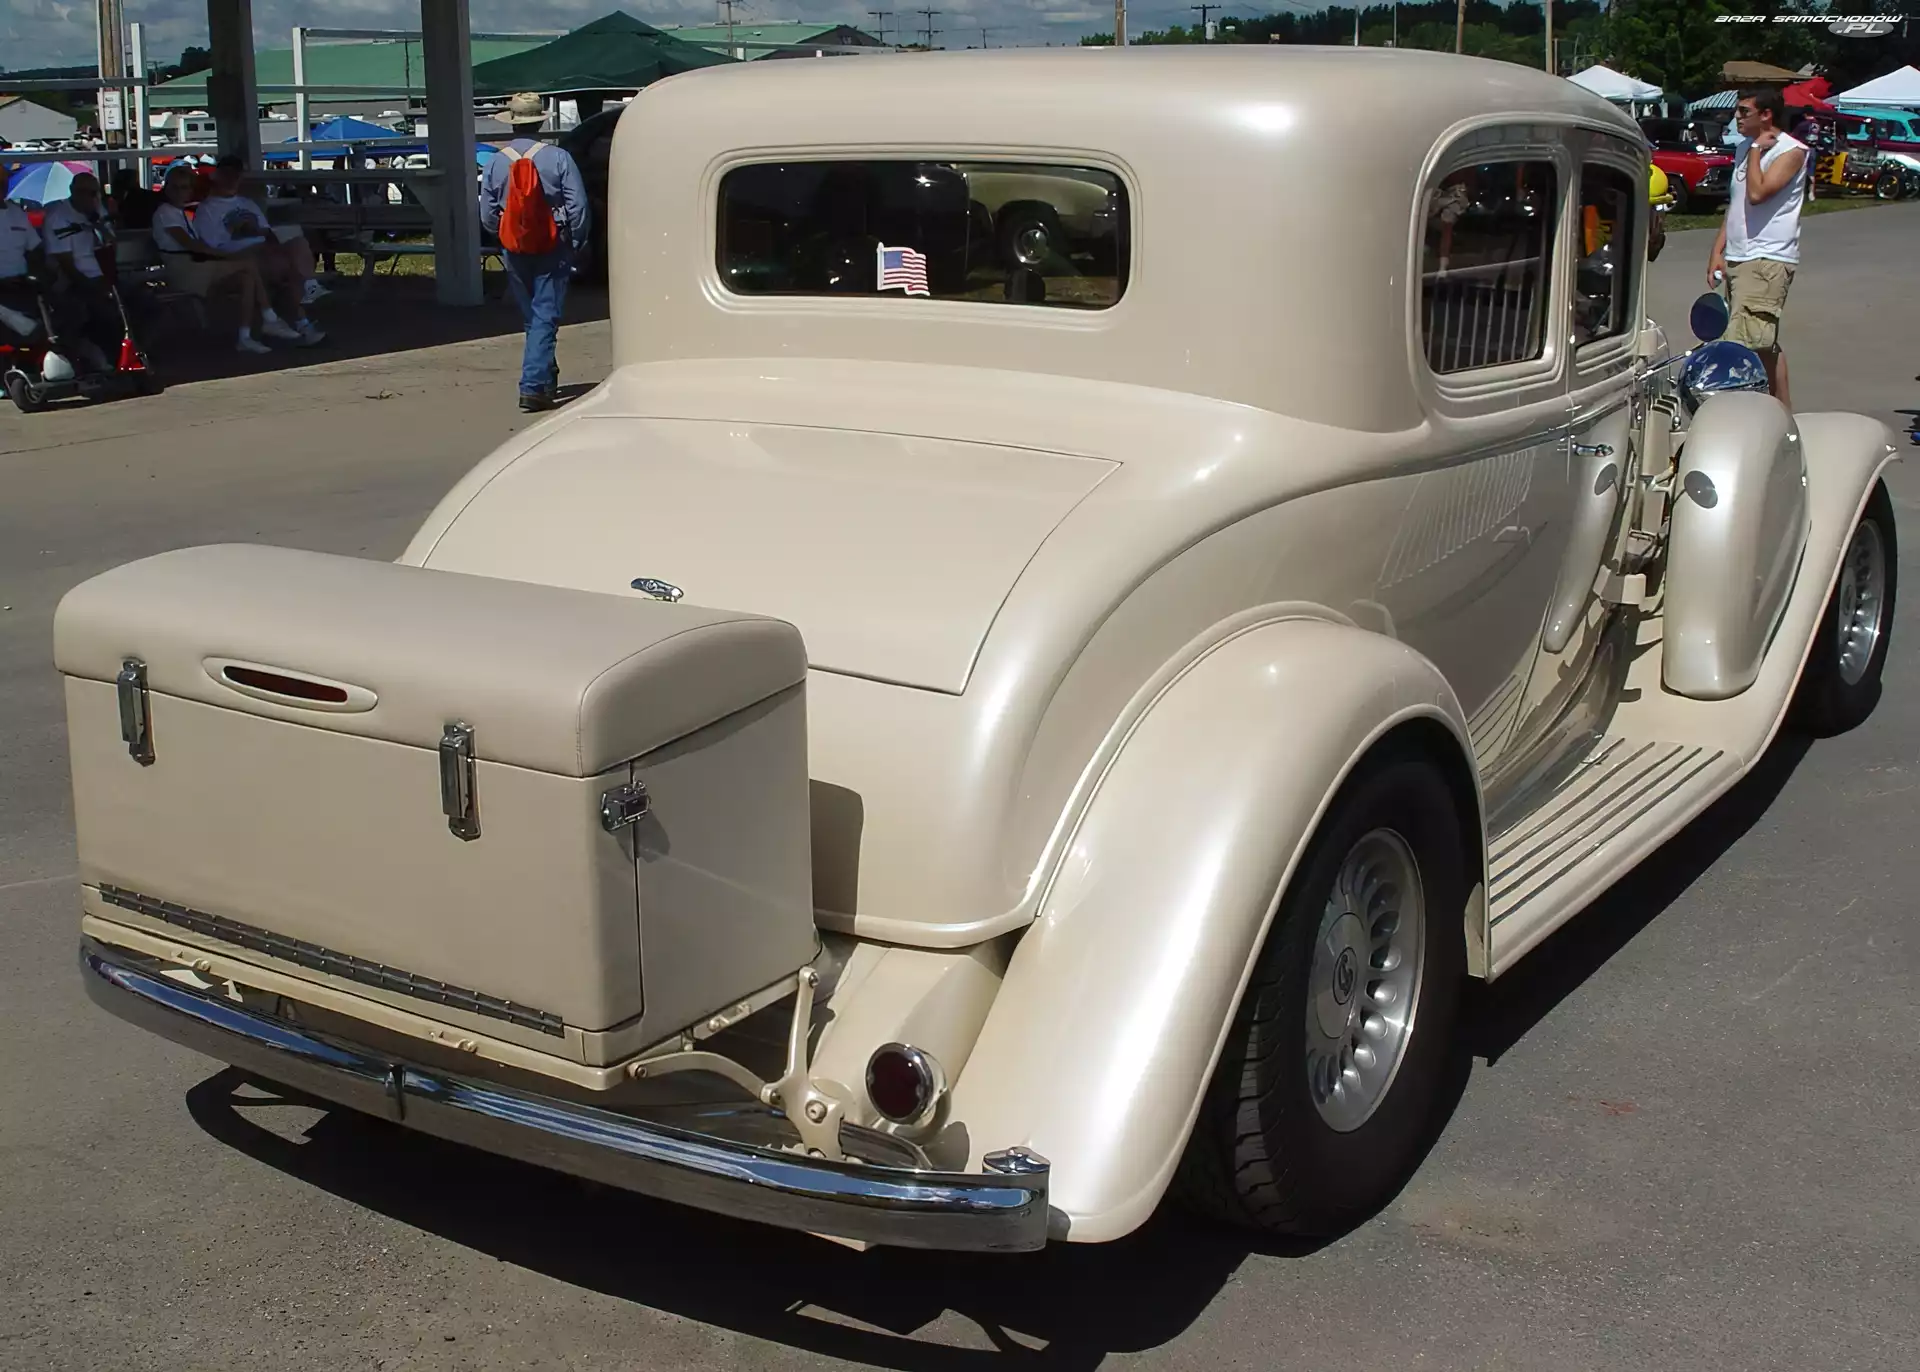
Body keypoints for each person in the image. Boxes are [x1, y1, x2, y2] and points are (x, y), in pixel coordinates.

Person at [480, 92, 590, 412]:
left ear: (512, 123)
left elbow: (487, 212)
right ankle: (532, 386)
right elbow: (578, 206)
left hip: (514, 246)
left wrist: (503, 234)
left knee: (534, 315)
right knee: (546, 314)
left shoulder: (496, 162)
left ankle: (545, 377)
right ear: (541, 122)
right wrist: (577, 239)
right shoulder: (559, 158)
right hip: (553, 242)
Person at [1709, 87, 1809, 412]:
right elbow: (1737, 205)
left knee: (1744, 345)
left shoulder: (1791, 151)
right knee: (1763, 343)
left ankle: (1747, 414)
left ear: (1766, 115)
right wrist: (1718, 251)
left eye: (1744, 112)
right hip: (1740, 257)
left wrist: (1755, 151)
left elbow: (1757, 193)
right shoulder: (1744, 148)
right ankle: (1782, 415)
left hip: (1766, 259)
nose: (1736, 118)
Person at [150, 164, 307, 354]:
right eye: (174, 187)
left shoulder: (180, 213)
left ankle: (245, 336)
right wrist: (228, 256)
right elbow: (192, 245)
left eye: (184, 187)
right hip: (185, 270)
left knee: (247, 278)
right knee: (248, 264)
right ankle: (270, 318)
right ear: (166, 188)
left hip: (197, 266)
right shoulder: (165, 213)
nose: (179, 192)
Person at [194, 157, 326, 343]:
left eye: (236, 175)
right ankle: (301, 322)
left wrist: (257, 232)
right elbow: (212, 245)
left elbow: (267, 233)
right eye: (226, 174)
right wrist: (235, 230)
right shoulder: (206, 210)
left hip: (265, 252)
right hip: (238, 257)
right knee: (288, 271)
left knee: (298, 244)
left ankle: (310, 287)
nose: (231, 179)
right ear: (216, 176)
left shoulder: (247, 203)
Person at [38, 172, 122, 368]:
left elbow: (112, 244)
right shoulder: (58, 217)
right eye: (83, 192)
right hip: (74, 280)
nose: (89, 197)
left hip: (104, 274)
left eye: (94, 193)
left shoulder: (97, 211)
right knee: (104, 313)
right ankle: (105, 360)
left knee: (144, 303)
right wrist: (97, 288)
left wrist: (100, 225)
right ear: (72, 191)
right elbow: (66, 264)